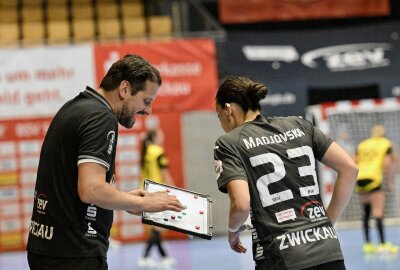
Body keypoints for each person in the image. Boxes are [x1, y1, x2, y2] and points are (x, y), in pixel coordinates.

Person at [27, 54, 184, 270]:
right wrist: (142, 203)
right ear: (125, 89)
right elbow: (90, 190)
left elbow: (75, 187)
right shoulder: (101, 117)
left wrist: (124, 198)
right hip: (75, 254)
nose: (148, 111)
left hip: (47, 249)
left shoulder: (75, 107)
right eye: (146, 101)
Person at [213, 76, 358, 270]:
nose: (221, 123)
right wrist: (326, 224)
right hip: (328, 251)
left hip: (281, 256)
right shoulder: (300, 125)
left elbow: (241, 203)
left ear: (228, 109)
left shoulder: (229, 143)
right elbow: (350, 169)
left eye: (218, 116)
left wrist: (232, 231)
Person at [137, 128, 177, 268]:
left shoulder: (145, 151)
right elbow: (164, 173)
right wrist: (174, 190)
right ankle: (145, 257)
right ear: (154, 137)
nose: (163, 136)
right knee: (158, 227)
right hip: (157, 191)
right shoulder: (157, 151)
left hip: (146, 190)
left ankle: (162, 257)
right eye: (160, 134)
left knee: (157, 226)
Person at [355, 125, 398, 254]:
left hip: (360, 177)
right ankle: (383, 244)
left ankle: (368, 245)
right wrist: (389, 182)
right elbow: (387, 163)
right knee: (378, 212)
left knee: (366, 212)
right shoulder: (386, 144)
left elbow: (354, 160)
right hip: (374, 178)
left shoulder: (363, 144)